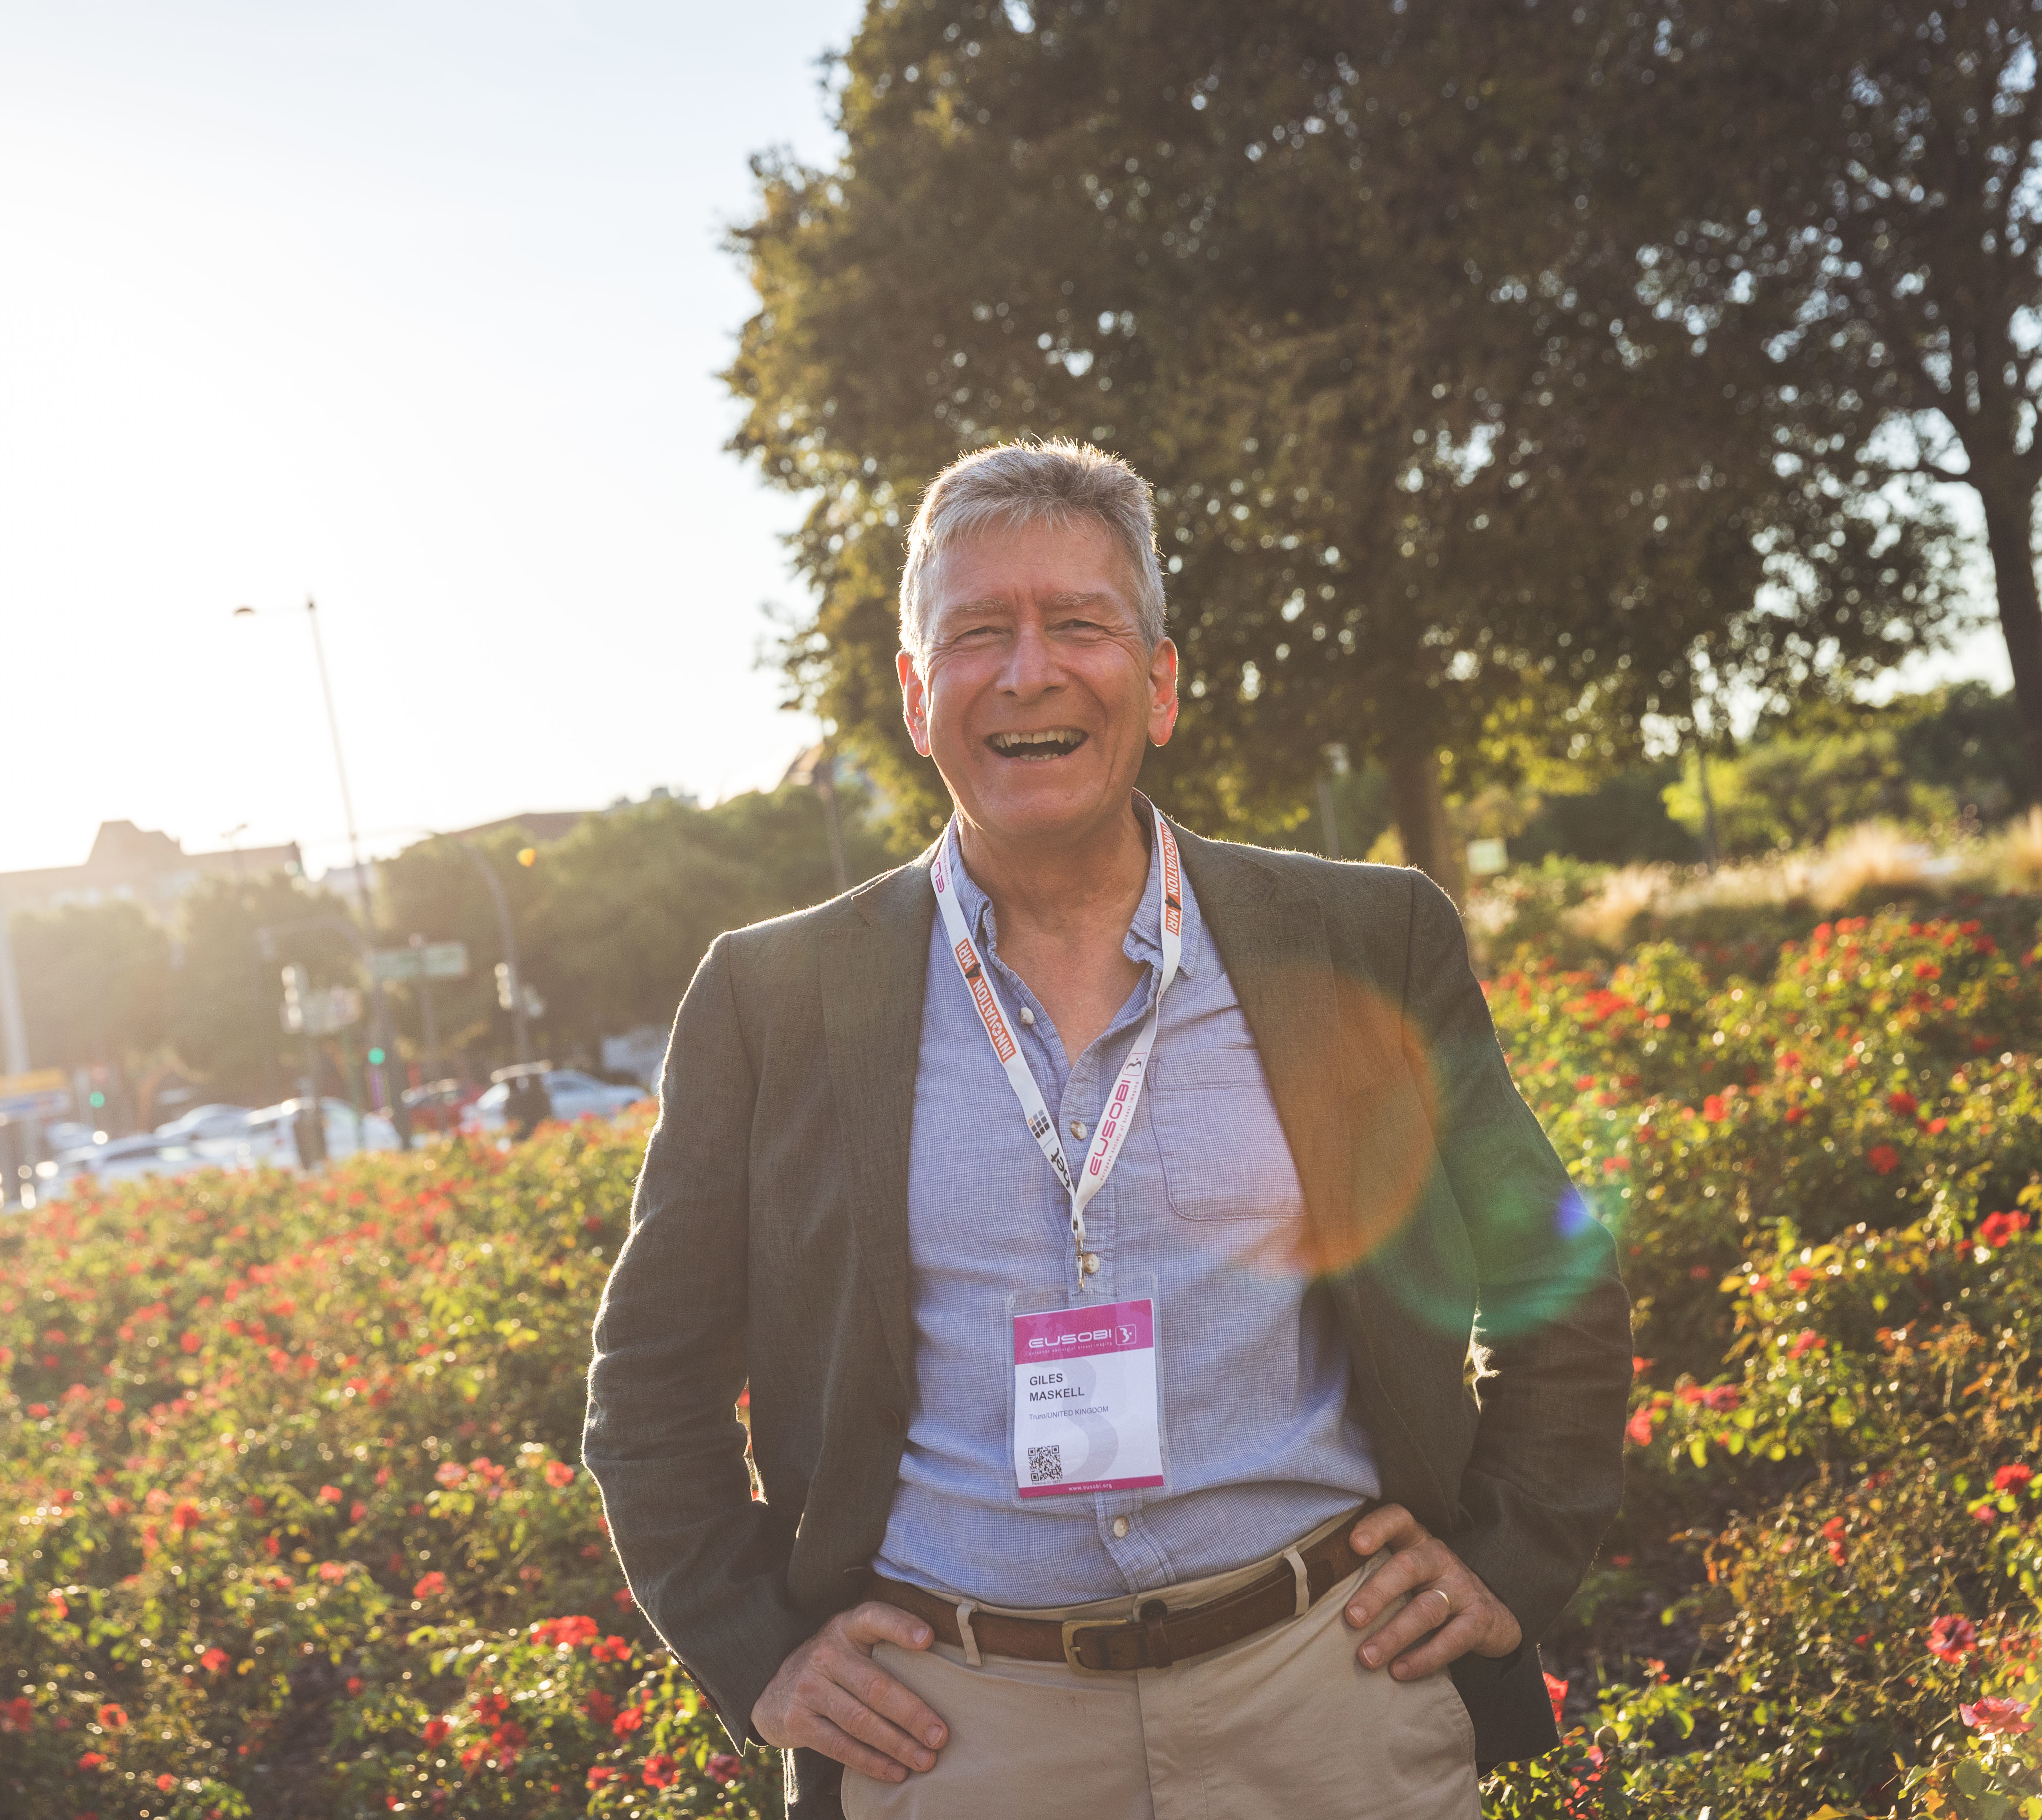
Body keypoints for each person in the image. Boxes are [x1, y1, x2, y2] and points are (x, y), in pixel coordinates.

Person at [584, 440, 1630, 1819]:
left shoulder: (1367, 937)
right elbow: (647, 1388)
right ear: (915, 695)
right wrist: (759, 1652)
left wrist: (1509, 1555)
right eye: (975, 635)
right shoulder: (771, 999)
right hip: (954, 1737)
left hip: (1329, 1700)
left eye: (1078, 624)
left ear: (1161, 681)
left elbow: (1557, 1268)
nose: (1028, 672)